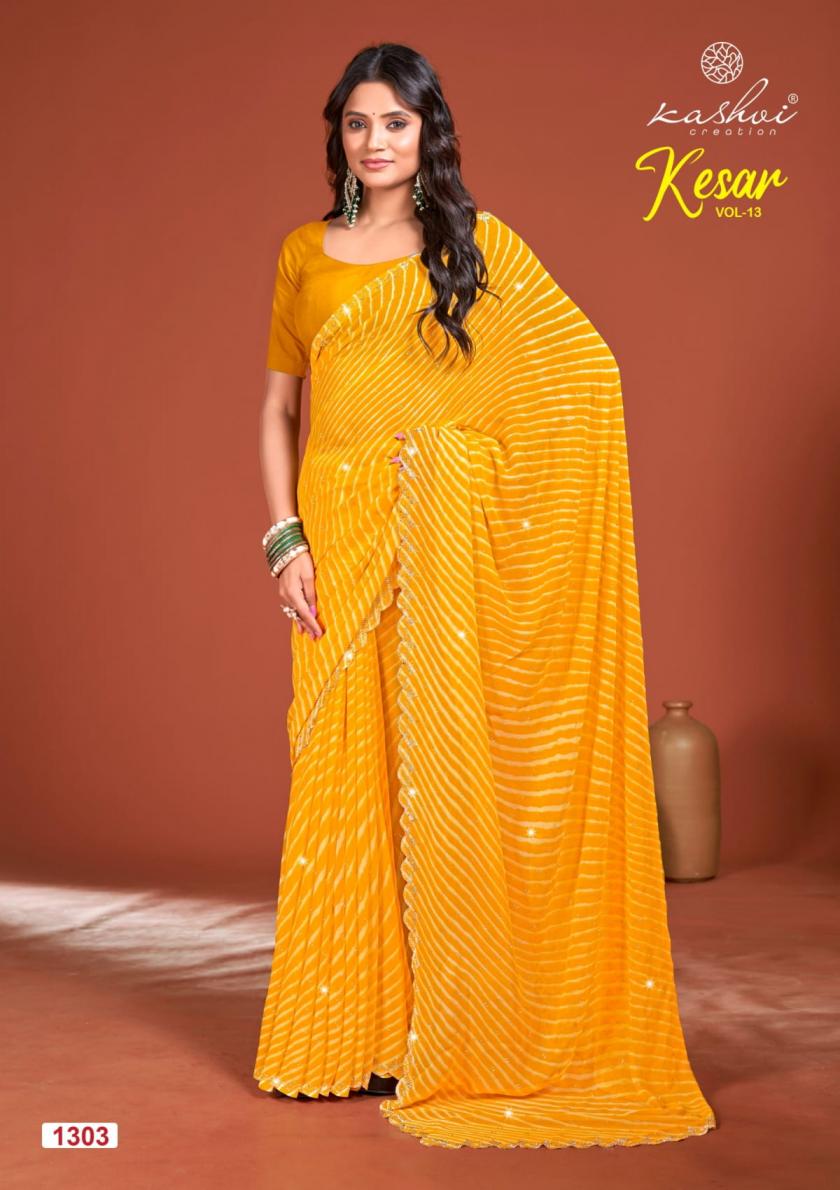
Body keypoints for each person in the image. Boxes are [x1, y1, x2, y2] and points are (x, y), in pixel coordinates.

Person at [253, 41, 717, 1151]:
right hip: (338, 543)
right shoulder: (304, 254)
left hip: (436, 547)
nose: (375, 142)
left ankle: (444, 1031)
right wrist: (283, 542)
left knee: (439, 768)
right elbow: (277, 411)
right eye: (358, 122)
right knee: (346, 773)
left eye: (395, 123)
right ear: (338, 135)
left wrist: (441, 461)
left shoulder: (475, 248)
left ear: (429, 134)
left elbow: (580, 379)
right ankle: (346, 1034)